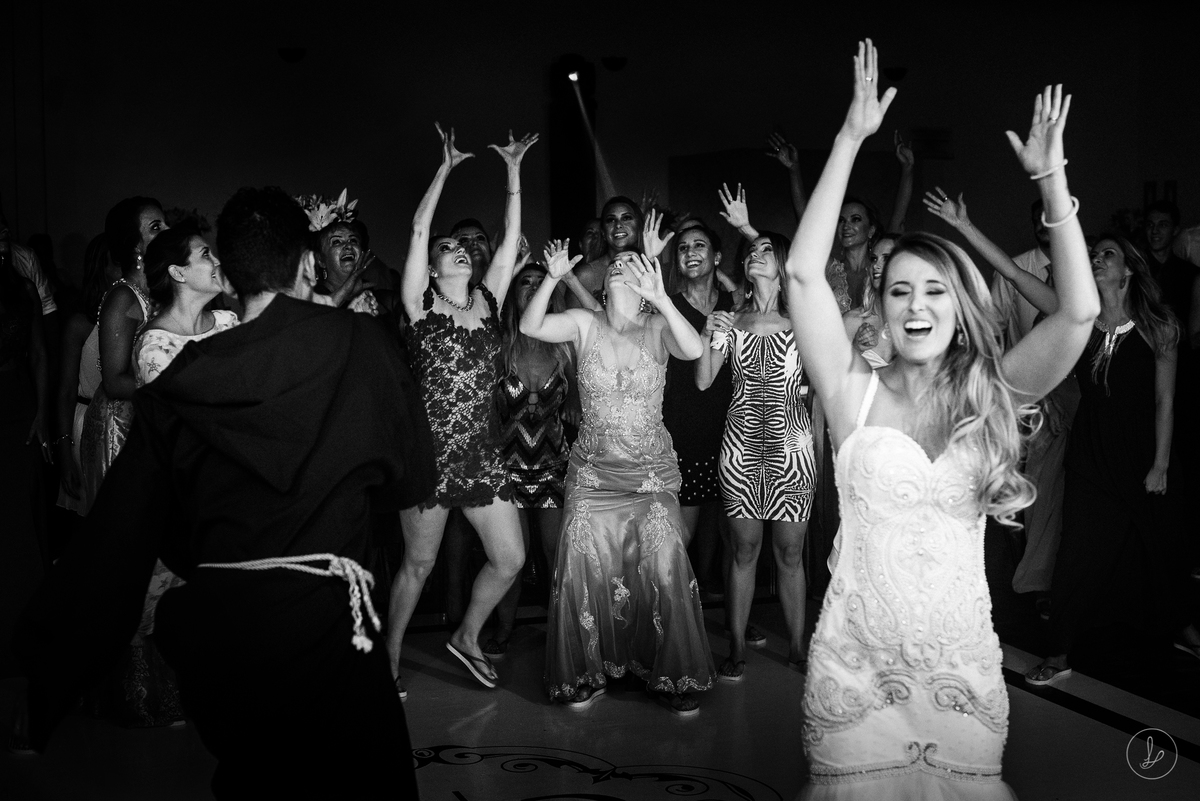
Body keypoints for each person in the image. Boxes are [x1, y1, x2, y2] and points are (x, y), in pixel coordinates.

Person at [16, 185, 433, 798]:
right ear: (308, 264)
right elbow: (410, 480)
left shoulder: (187, 375)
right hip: (333, 629)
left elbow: (125, 527)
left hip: (230, 638)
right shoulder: (360, 343)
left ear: (232, 277)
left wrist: (47, 672)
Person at [788, 43, 1097, 797]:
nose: (917, 305)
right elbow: (802, 272)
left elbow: (1079, 313)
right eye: (899, 291)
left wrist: (1052, 182)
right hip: (855, 676)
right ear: (881, 307)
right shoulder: (851, 392)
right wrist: (849, 139)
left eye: (934, 290)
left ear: (960, 308)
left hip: (961, 677)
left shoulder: (992, 392)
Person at [522, 241, 716, 716]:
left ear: (645, 278)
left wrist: (662, 298)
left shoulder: (657, 326)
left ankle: (670, 674)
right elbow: (530, 326)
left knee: (665, 558)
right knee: (580, 558)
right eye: (614, 263)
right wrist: (553, 278)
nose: (618, 266)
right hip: (593, 476)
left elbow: (694, 349)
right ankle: (585, 672)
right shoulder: (584, 323)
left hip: (649, 476)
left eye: (629, 263)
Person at [386, 124, 535, 693]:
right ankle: (388, 660)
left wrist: (513, 171)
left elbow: (511, 233)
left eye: (464, 246)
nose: (460, 250)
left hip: (481, 456)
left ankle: (468, 635)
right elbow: (419, 227)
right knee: (418, 566)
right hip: (428, 457)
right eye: (448, 248)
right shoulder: (419, 303)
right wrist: (444, 168)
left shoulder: (489, 299)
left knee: (510, 558)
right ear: (431, 267)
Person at [1025, 235, 1183, 686]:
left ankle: (1181, 625)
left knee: (1157, 545)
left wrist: (1160, 465)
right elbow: (1018, 278)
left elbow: (1164, 401)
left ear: (1128, 268)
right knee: (1075, 551)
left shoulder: (1159, 326)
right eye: (1093, 254)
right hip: (1090, 454)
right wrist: (965, 227)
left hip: (1140, 454)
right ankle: (1058, 653)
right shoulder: (1081, 319)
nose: (1096, 258)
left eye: (1106, 254)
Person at [923, 189, 1072, 604]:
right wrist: (963, 225)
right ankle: (1031, 585)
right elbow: (1012, 272)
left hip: (1088, 409)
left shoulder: (1084, 309)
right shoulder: (1057, 305)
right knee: (1037, 496)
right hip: (1045, 400)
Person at [697, 231, 815, 680]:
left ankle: (798, 647)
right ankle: (736, 647)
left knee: (790, 552)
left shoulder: (803, 319)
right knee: (744, 549)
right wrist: (709, 333)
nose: (754, 254)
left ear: (783, 264)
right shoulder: (730, 320)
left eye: (767, 249)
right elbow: (704, 380)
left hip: (792, 449)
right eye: (751, 250)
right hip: (741, 447)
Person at [485, 260, 577, 658]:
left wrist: (574, 404)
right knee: (513, 560)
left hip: (554, 466)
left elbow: (579, 403)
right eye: (526, 281)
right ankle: (504, 629)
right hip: (507, 470)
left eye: (542, 282)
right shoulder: (499, 345)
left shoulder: (565, 345)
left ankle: (562, 631)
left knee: (558, 554)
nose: (534, 287)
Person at [78, 197, 168, 510]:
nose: (168, 231)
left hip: (144, 424)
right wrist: (174, 385)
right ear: (135, 248)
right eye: (156, 227)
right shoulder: (123, 298)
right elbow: (115, 381)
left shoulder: (155, 293)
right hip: (118, 431)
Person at [53, 234, 120, 514]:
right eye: (118, 262)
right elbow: (66, 390)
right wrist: (64, 450)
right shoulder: (80, 324)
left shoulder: (134, 318)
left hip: (123, 423)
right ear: (101, 268)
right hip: (87, 422)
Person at [569, 196, 644, 306]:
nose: (618, 225)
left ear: (638, 226)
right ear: (603, 232)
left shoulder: (650, 267)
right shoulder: (585, 275)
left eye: (626, 218)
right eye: (611, 220)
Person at [841, 233, 899, 368]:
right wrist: (856, 349)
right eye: (874, 259)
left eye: (886, 258)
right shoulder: (852, 321)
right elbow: (831, 376)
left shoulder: (914, 323)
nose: (876, 265)